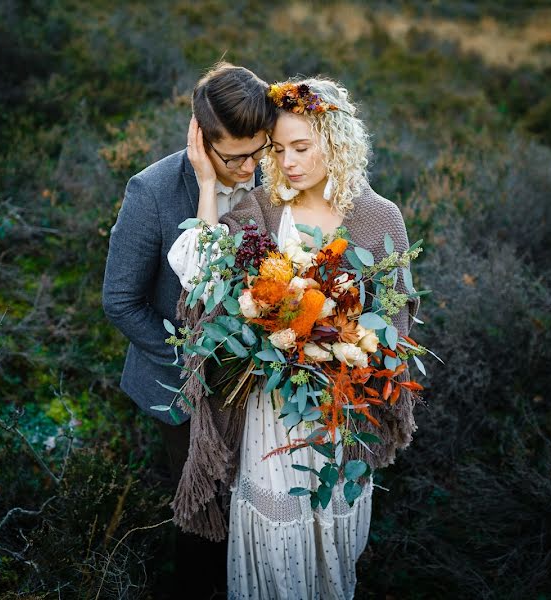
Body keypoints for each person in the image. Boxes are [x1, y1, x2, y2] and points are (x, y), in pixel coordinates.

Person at [168, 77, 421, 599]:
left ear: (336, 141)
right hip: (270, 412)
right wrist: (209, 188)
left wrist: (348, 348)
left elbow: (400, 312)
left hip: (336, 413)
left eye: (302, 148)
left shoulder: (379, 217)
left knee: (332, 537)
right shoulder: (263, 209)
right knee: (273, 537)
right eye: (279, 150)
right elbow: (203, 274)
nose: (289, 163)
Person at [101, 62, 277, 597]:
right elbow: (121, 302)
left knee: (255, 508)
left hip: (259, 386)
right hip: (180, 389)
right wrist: (200, 362)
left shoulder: (272, 179)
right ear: (201, 137)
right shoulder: (151, 191)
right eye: (234, 157)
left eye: (259, 151)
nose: (249, 169)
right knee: (204, 519)